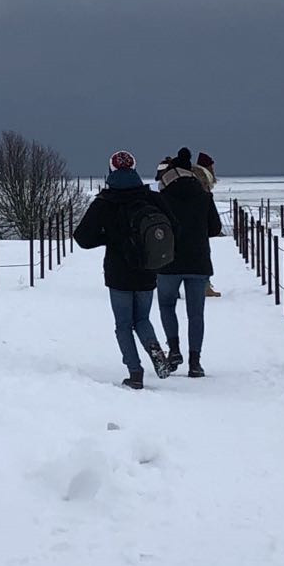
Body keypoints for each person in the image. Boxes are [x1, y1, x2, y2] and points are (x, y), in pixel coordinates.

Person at [74, 150, 175, 389]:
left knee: (123, 324)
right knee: (142, 319)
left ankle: (135, 372)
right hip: (148, 269)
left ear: (111, 171)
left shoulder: (105, 202)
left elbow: (82, 238)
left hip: (118, 272)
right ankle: (155, 351)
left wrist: (108, 237)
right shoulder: (151, 198)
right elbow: (173, 227)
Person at [155, 148, 224, 377]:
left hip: (168, 262)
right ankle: (195, 362)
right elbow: (215, 228)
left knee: (166, 305)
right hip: (198, 261)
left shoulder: (162, 198)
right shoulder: (204, 196)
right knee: (196, 314)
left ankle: (174, 350)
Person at [193, 152, 220, 299]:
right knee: (203, 254)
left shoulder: (194, 175)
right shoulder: (202, 178)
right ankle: (205, 285)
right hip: (200, 222)